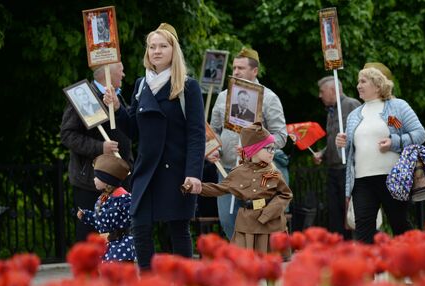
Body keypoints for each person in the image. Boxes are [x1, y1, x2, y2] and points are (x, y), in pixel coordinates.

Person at [104, 23, 206, 270]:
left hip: (177, 170)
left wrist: (193, 173)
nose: (156, 51)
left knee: (178, 229)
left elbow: (196, 134)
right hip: (146, 170)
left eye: (162, 46)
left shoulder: (188, 86)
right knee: (139, 226)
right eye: (152, 47)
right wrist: (116, 108)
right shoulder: (141, 85)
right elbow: (132, 130)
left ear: (174, 50)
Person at [335, 64, 425, 243]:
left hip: (393, 177)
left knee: (399, 224)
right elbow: (347, 154)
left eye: (363, 81)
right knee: (363, 230)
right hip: (361, 181)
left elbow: (419, 134)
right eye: (358, 82)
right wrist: (341, 145)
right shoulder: (354, 115)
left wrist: (394, 142)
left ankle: (412, 263)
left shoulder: (395, 109)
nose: (358, 85)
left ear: (377, 85)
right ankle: (367, 269)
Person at [208, 47, 288, 240]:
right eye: (234, 68)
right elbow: (213, 131)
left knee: (257, 220)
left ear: (254, 71)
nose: (236, 72)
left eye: (241, 68)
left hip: (258, 174)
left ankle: (257, 263)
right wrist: (211, 149)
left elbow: (281, 136)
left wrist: (256, 149)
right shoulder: (222, 97)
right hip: (227, 170)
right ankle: (241, 260)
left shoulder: (269, 98)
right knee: (227, 220)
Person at [185, 123, 292, 252]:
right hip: (247, 226)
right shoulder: (238, 173)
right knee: (245, 263)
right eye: (268, 148)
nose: (272, 152)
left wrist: (268, 213)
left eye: (273, 148)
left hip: (270, 224)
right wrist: (197, 187)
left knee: (270, 264)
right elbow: (219, 189)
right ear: (254, 150)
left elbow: (285, 195)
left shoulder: (274, 173)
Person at [61, 62, 132, 243]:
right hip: (91, 182)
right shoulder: (84, 96)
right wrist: (100, 148)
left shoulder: (118, 97)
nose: (123, 74)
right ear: (107, 73)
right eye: (120, 69)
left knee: (119, 233)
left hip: (120, 180)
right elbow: (68, 135)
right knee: (91, 235)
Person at [313, 76, 361, 239]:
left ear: (333, 90)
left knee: (349, 211)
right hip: (333, 168)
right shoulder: (332, 111)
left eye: (322, 92)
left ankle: (357, 247)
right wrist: (323, 153)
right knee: (335, 212)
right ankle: (339, 248)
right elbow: (334, 140)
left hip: (347, 168)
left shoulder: (351, 104)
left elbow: (360, 133)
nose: (320, 96)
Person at [77, 154, 136, 262]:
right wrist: (86, 215)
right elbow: (100, 219)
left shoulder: (123, 197)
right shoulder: (103, 197)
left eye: (97, 177)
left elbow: (133, 218)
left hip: (121, 246)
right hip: (107, 246)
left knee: (120, 276)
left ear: (106, 180)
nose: (93, 179)